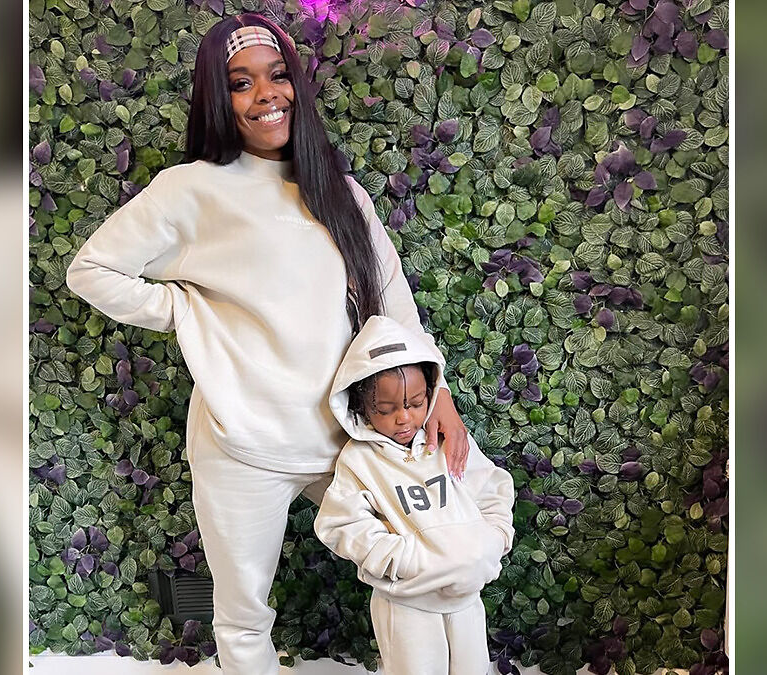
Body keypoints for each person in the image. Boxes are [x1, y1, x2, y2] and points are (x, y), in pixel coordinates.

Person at [64, 13, 471, 675]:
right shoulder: (189, 190)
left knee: (418, 562)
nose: (266, 95)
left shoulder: (338, 193)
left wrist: (439, 393)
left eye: (279, 76)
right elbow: (91, 269)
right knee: (244, 612)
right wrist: (183, 309)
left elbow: (392, 298)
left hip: (346, 437)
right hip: (240, 445)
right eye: (241, 83)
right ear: (217, 98)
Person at [314, 315, 514, 675]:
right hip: (407, 601)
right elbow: (339, 523)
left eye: (417, 403)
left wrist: (492, 539)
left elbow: (492, 486)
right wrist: (401, 560)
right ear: (360, 406)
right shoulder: (360, 459)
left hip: (465, 596)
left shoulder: (445, 440)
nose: (404, 418)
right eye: (386, 410)